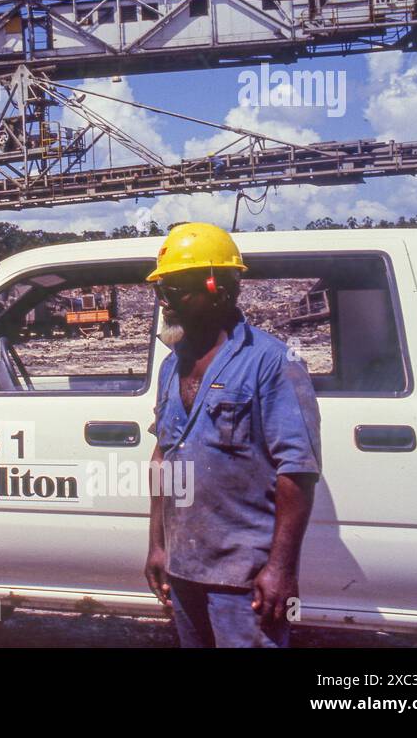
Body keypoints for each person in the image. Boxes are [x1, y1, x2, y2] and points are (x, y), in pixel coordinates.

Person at [143, 222, 322, 648]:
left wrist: (280, 568)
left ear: (218, 287)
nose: (165, 300)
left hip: (244, 577)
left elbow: (296, 470)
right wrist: (157, 546)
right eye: (161, 288)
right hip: (184, 568)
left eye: (177, 288)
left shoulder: (271, 363)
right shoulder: (172, 367)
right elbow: (163, 460)